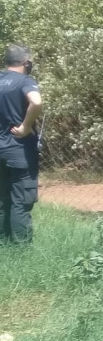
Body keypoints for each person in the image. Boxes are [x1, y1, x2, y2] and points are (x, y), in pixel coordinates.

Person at [0, 45, 43, 244]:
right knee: (20, 201)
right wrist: (25, 127)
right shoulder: (25, 81)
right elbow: (36, 102)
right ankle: (21, 250)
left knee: (2, 200)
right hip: (18, 150)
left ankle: (3, 244)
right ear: (26, 62)